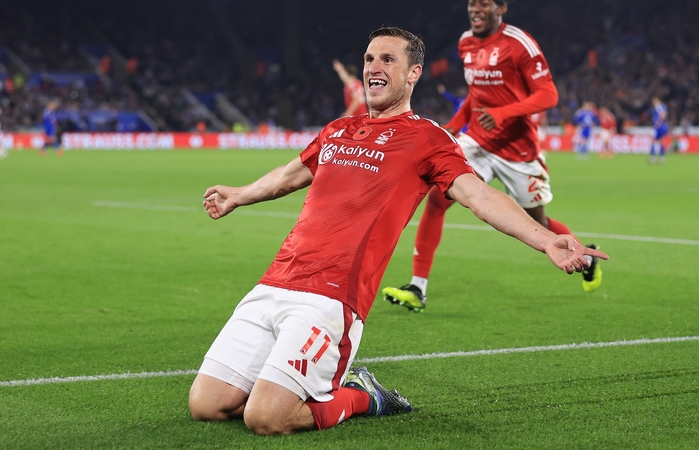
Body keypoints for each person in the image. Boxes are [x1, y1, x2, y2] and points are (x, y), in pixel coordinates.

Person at [190, 26, 607, 436]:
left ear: (413, 73)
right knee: (206, 406)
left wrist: (545, 238)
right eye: (370, 58)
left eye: (388, 59)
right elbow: (289, 175)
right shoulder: (339, 129)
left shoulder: (427, 139)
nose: (374, 65)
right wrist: (238, 195)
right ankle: (294, 383)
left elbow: (480, 197)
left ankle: (363, 395)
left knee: (266, 419)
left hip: (331, 297)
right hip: (276, 281)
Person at [382, 0, 603, 313]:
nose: (476, 8)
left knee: (535, 223)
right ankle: (417, 288)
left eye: (484, 3)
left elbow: (548, 94)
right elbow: (476, 94)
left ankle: (585, 253)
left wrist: (503, 114)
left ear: (501, 8)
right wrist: (454, 127)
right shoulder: (465, 43)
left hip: (518, 151)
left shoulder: (519, 44)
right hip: (479, 141)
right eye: (472, 3)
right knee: (438, 197)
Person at [650, 97, 668, 164]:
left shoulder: (659, 106)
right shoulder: (663, 106)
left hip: (659, 126)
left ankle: (653, 157)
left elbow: (663, 115)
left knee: (653, 141)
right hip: (663, 126)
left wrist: (659, 123)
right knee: (661, 141)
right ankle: (661, 157)